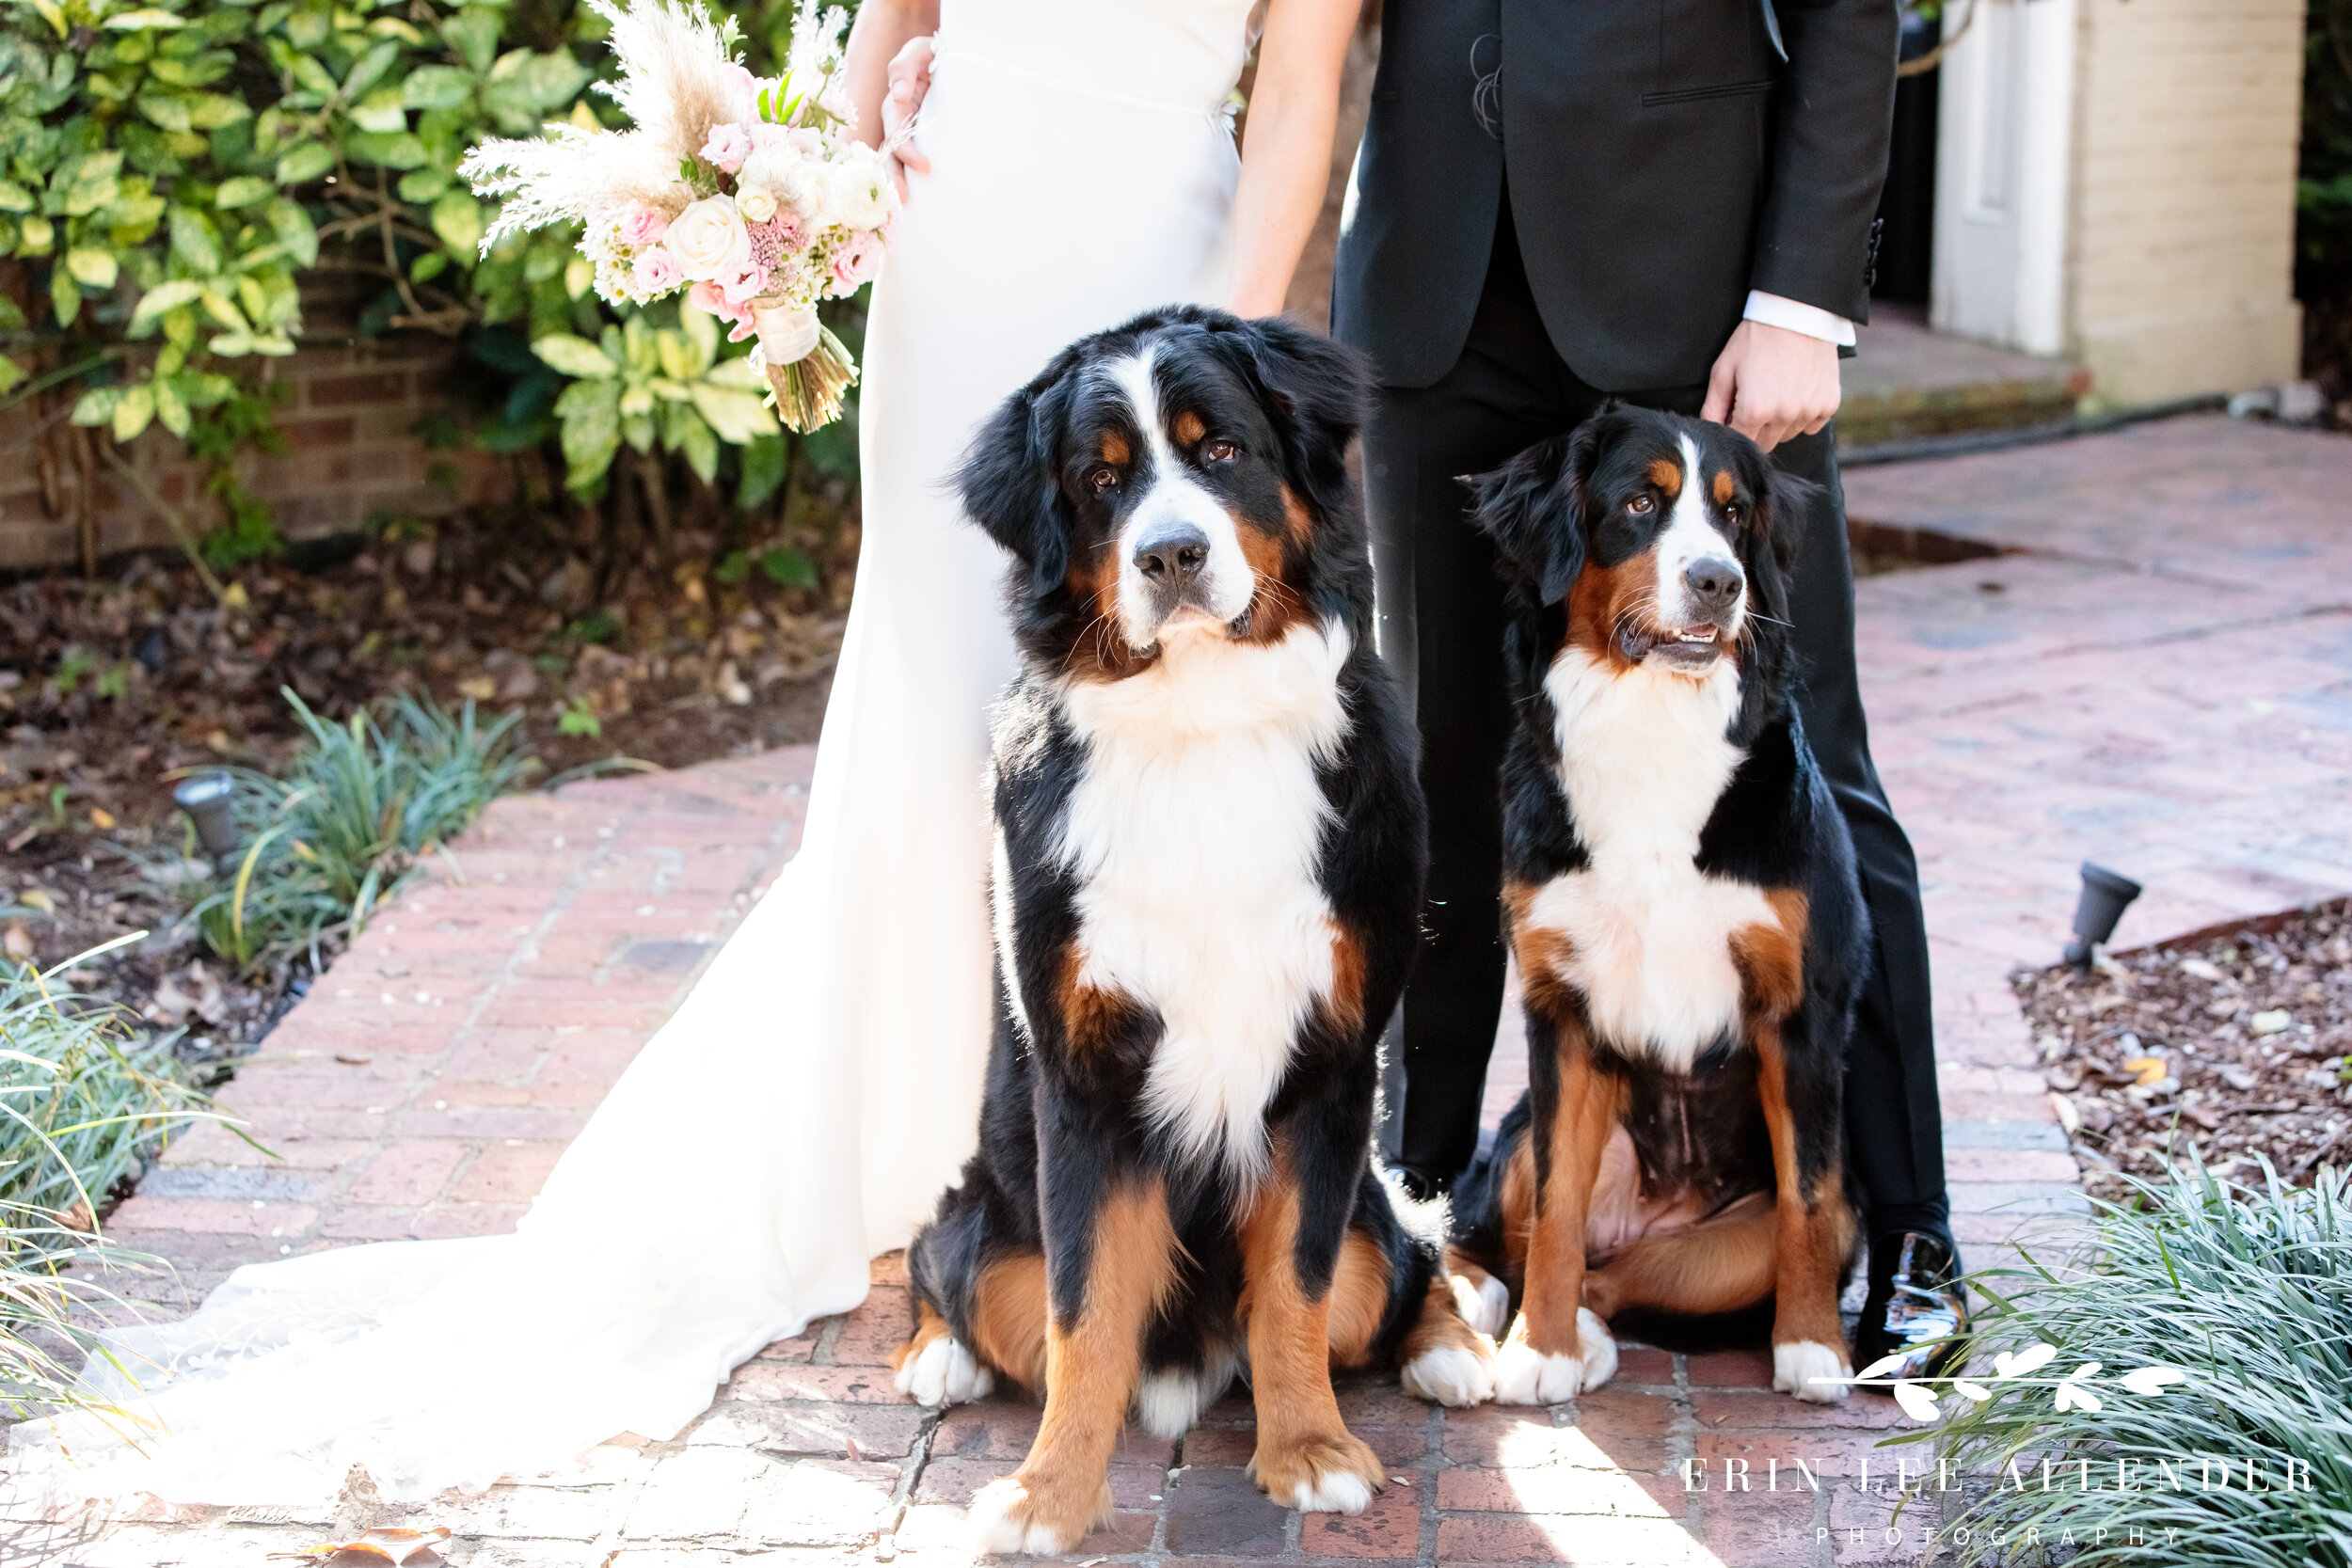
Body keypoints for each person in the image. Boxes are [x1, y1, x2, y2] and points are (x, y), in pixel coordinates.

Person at [12, 0, 1364, 1503]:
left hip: (1164, 267)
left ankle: (1114, 1153)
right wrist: (809, 221)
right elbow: (897, 23)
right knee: (939, 715)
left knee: (1141, 751)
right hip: (959, 237)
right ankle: (936, 1151)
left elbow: (1303, 93)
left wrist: (1214, 347)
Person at [1332, 0, 1967, 1377]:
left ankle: (1910, 1230)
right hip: (1436, 278)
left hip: (1694, 278)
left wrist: (1802, 300)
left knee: (1805, 764)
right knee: (1437, 770)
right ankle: (1421, 1206)